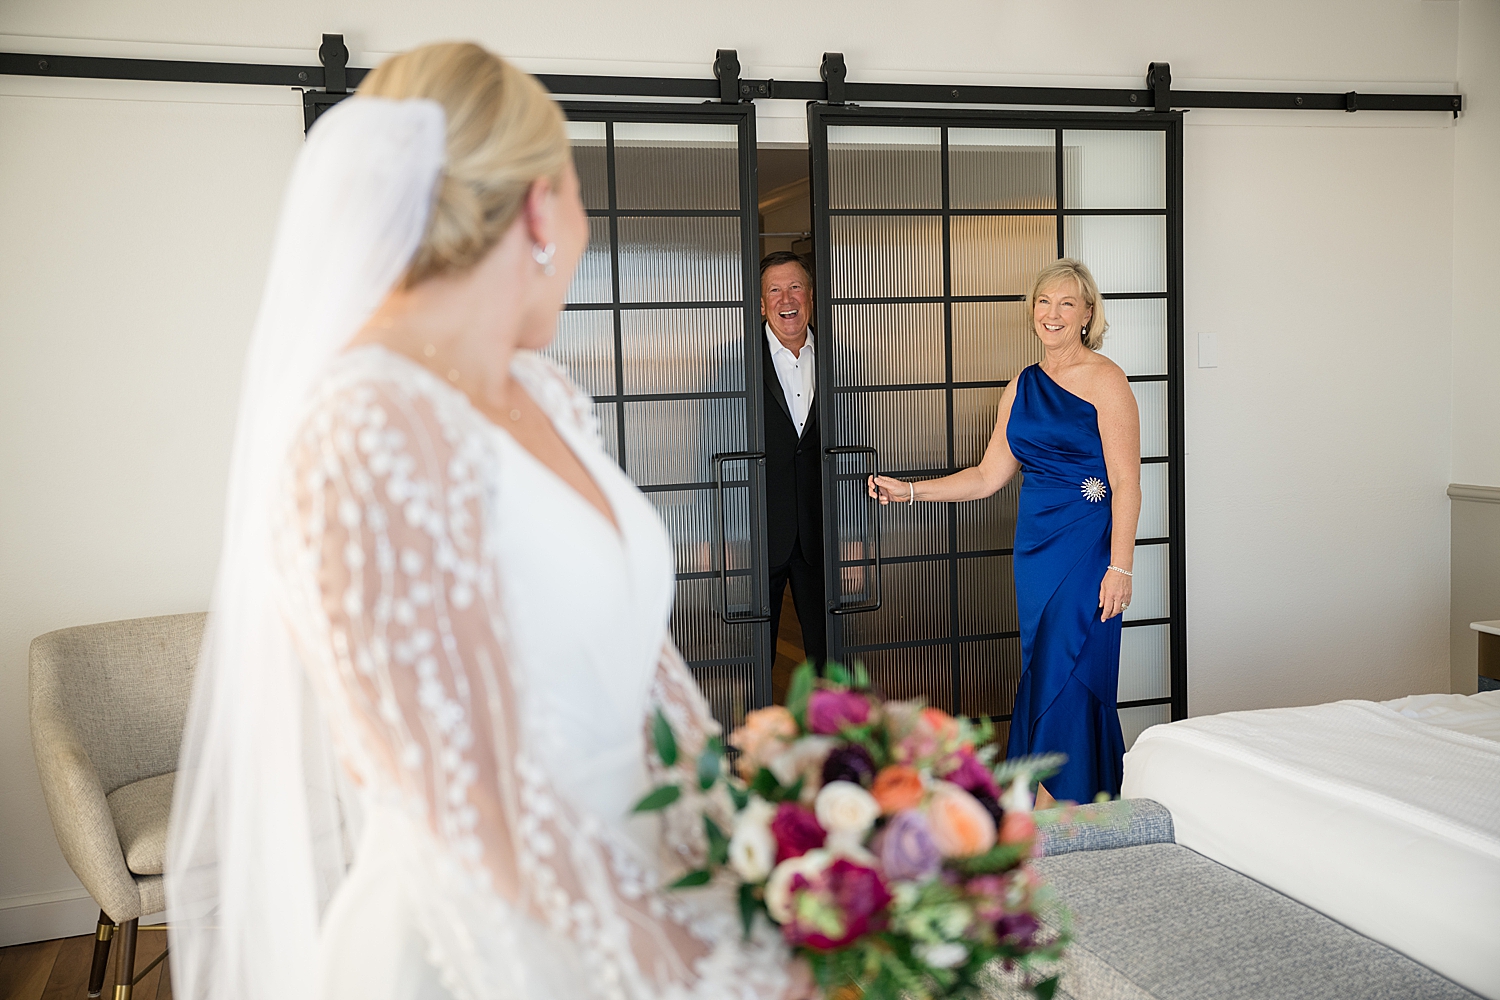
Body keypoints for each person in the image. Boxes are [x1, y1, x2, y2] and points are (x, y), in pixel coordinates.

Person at [165, 43, 816, 1000]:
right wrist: (684, 966)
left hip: (662, 886)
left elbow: (648, 676)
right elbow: (454, 790)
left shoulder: (547, 395)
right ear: (541, 206)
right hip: (498, 934)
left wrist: (739, 849)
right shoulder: (360, 424)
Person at [867, 259, 1140, 804]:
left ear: (1088, 313)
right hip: (1036, 551)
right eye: (1044, 302)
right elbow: (988, 476)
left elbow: (1128, 484)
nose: (1054, 313)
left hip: (1088, 551)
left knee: (1076, 671)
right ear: (1032, 311)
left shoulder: (1107, 379)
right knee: (1042, 670)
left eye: (1067, 303)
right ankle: (1046, 808)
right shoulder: (1022, 385)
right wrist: (914, 491)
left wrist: (1121, 566)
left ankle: (1071, 806)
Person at [760, 251, 826, 667]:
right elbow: (708, 450)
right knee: (755, 657)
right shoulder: (736, 362)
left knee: (830, 658)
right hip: (758, 532)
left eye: (795, 286)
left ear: (811, 295)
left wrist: (854, 535)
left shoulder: (841, 358)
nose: (787, 299)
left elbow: (854, 451)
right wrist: (718, 536)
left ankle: (836, 735)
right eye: (775, 290)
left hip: (823, 532)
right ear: (763, 302)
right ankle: (751, 734)